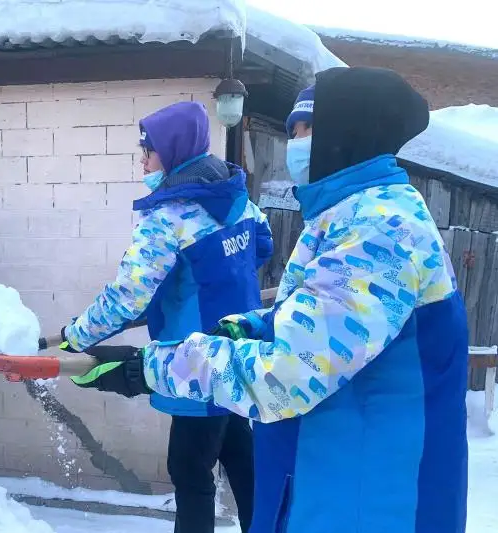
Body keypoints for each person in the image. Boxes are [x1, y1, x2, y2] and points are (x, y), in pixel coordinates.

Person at [70, 66, 469, 533]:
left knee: (192, 470)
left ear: (347, 133)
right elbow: (320, 311)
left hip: (372, 501)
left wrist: (146, 367)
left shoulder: (379, 231)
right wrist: (256, 324)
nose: (295, 144)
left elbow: (287, 374)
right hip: (329, 476)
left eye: (304, 131)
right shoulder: (340, 214)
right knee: (236, 463)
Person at [61, 101, 273, 533]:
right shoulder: (238, 200)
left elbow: (126, 300)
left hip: (194, 362)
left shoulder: (170, 217)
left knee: (191, 472)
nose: (142, 159)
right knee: (239, 454)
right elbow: (263, 246)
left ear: (173, 152)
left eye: (148, 150)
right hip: (241, 351)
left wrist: (75, 335)